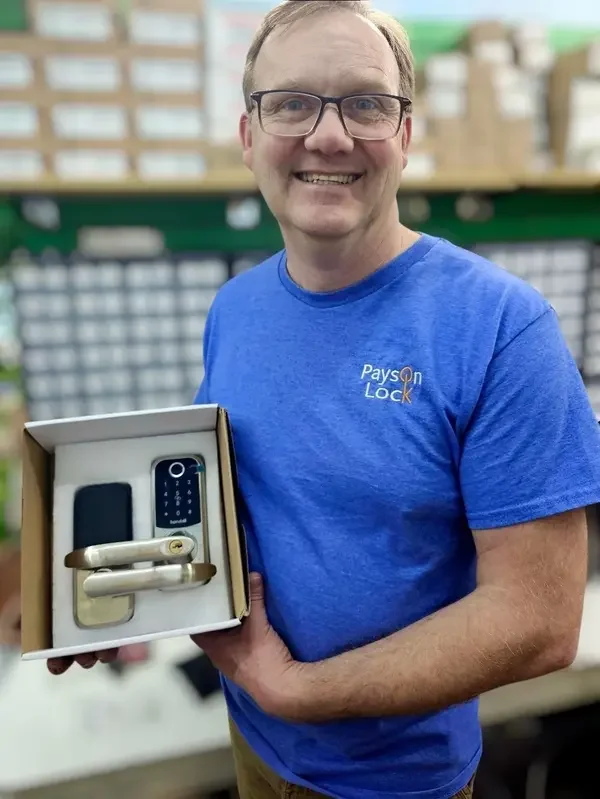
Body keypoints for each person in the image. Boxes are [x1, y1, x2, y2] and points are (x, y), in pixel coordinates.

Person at [48, 2, 600, 798]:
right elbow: (233, 503)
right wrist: (115, 600)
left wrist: (298, 690)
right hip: (254, 739)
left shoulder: (502, 328)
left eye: (367, 103)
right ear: (249, 138)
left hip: (400, 783)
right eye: (291, 102)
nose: (329, 135)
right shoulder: (233, 308)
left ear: (405, 136)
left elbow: (541, 621)